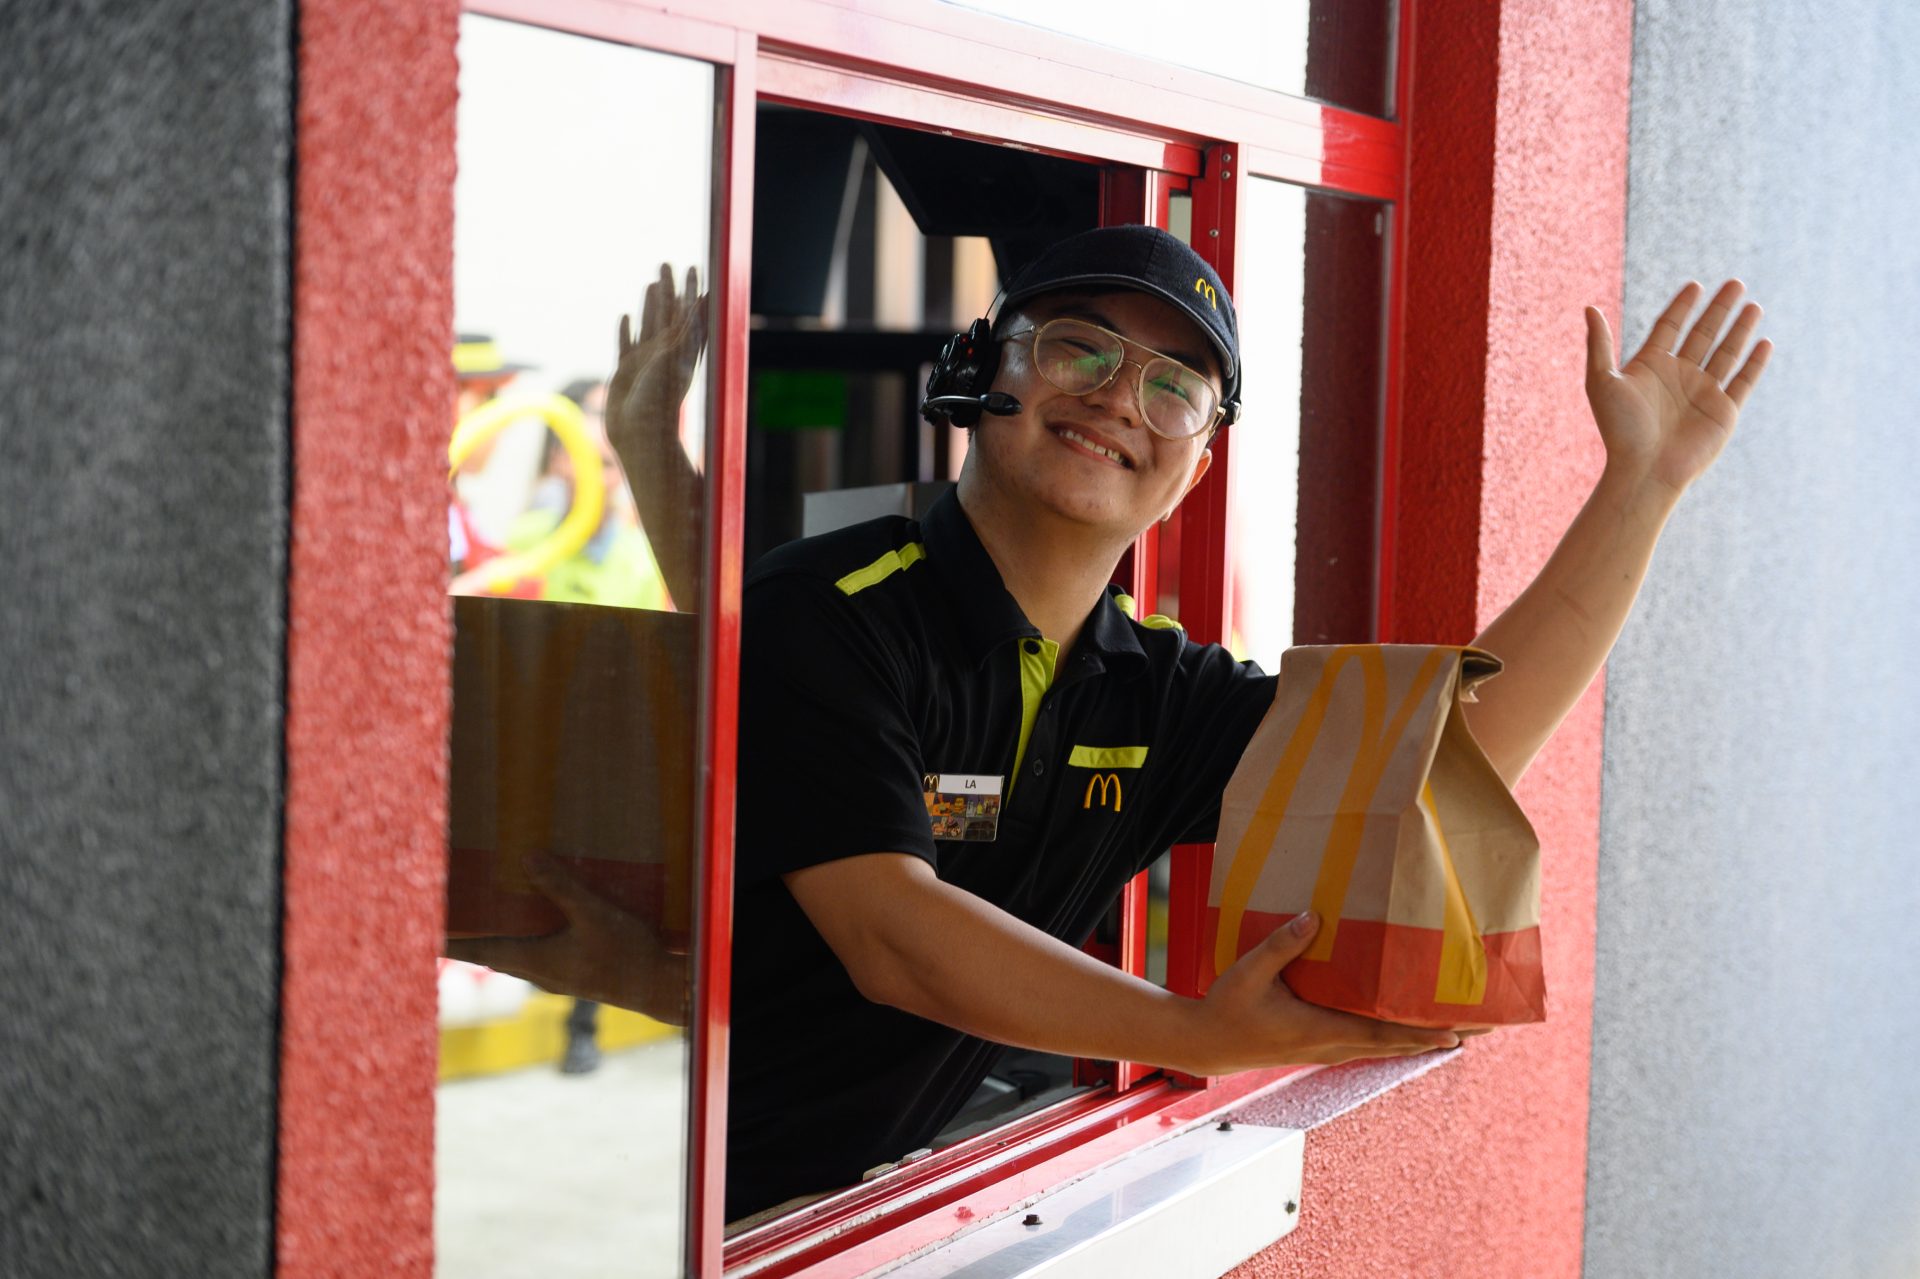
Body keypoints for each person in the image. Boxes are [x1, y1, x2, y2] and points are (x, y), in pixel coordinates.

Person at [460, 232, 1773, 1222]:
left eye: (1174, 384)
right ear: (982, 375)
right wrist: (1199, 1032)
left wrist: (1642, 487)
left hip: (897, 1206)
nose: (1118, 397)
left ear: (1198, 459)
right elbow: (892, 937)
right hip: (714, 1214)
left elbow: (1441, 766)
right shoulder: (838, 608)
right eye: (1078, 348)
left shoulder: (1160, 694)